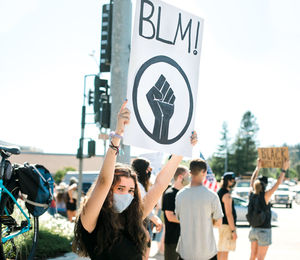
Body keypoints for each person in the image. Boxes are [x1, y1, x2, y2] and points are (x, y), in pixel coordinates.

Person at [72, 101, 197, 260]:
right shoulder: (91, 219)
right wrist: (117, 135)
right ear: (109, 190)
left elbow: (160, 184)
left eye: (131, 190)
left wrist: (181, 149)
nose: (126, 194)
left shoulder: (133, 216)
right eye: (120, 188)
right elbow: (103, 182)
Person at [175, 159, 223, 260]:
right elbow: (219, 223)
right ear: (204, 172)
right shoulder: (212, 195)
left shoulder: (180, 195)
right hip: (207, 252)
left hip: (185, 252)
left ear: (190, 172)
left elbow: (179, 218)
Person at [248, 158, 289, 260]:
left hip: (253, 230)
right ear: (265, 186)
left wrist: (257, 167)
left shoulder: (251, 194)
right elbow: (278, 182)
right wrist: (284, 169)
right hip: (264, 230)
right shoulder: (266, 196)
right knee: (261, 258)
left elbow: (252, 180)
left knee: (252, 256)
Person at [131, 157, 163, 260]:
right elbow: (143, 207)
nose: (149, 172)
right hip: (139, 224)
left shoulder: (139, 185)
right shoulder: (137, 186)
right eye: (149, 169)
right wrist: (156, 220)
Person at [162, 165, 189, 260]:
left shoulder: (186, 194)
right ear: (180, 177)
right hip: (173, 240)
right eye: (188, 176)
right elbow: (170, 216)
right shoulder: (169, 194)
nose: (189, 178)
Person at [217, 172, 237, 260]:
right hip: (226, 226)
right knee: (224, 252)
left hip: (221, 225)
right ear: (227, 181)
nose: (233, 183)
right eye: (232, 181)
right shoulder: (226, 195)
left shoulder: (220, 192)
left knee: (220, 251)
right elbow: (229, 214)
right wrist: (233, 230)